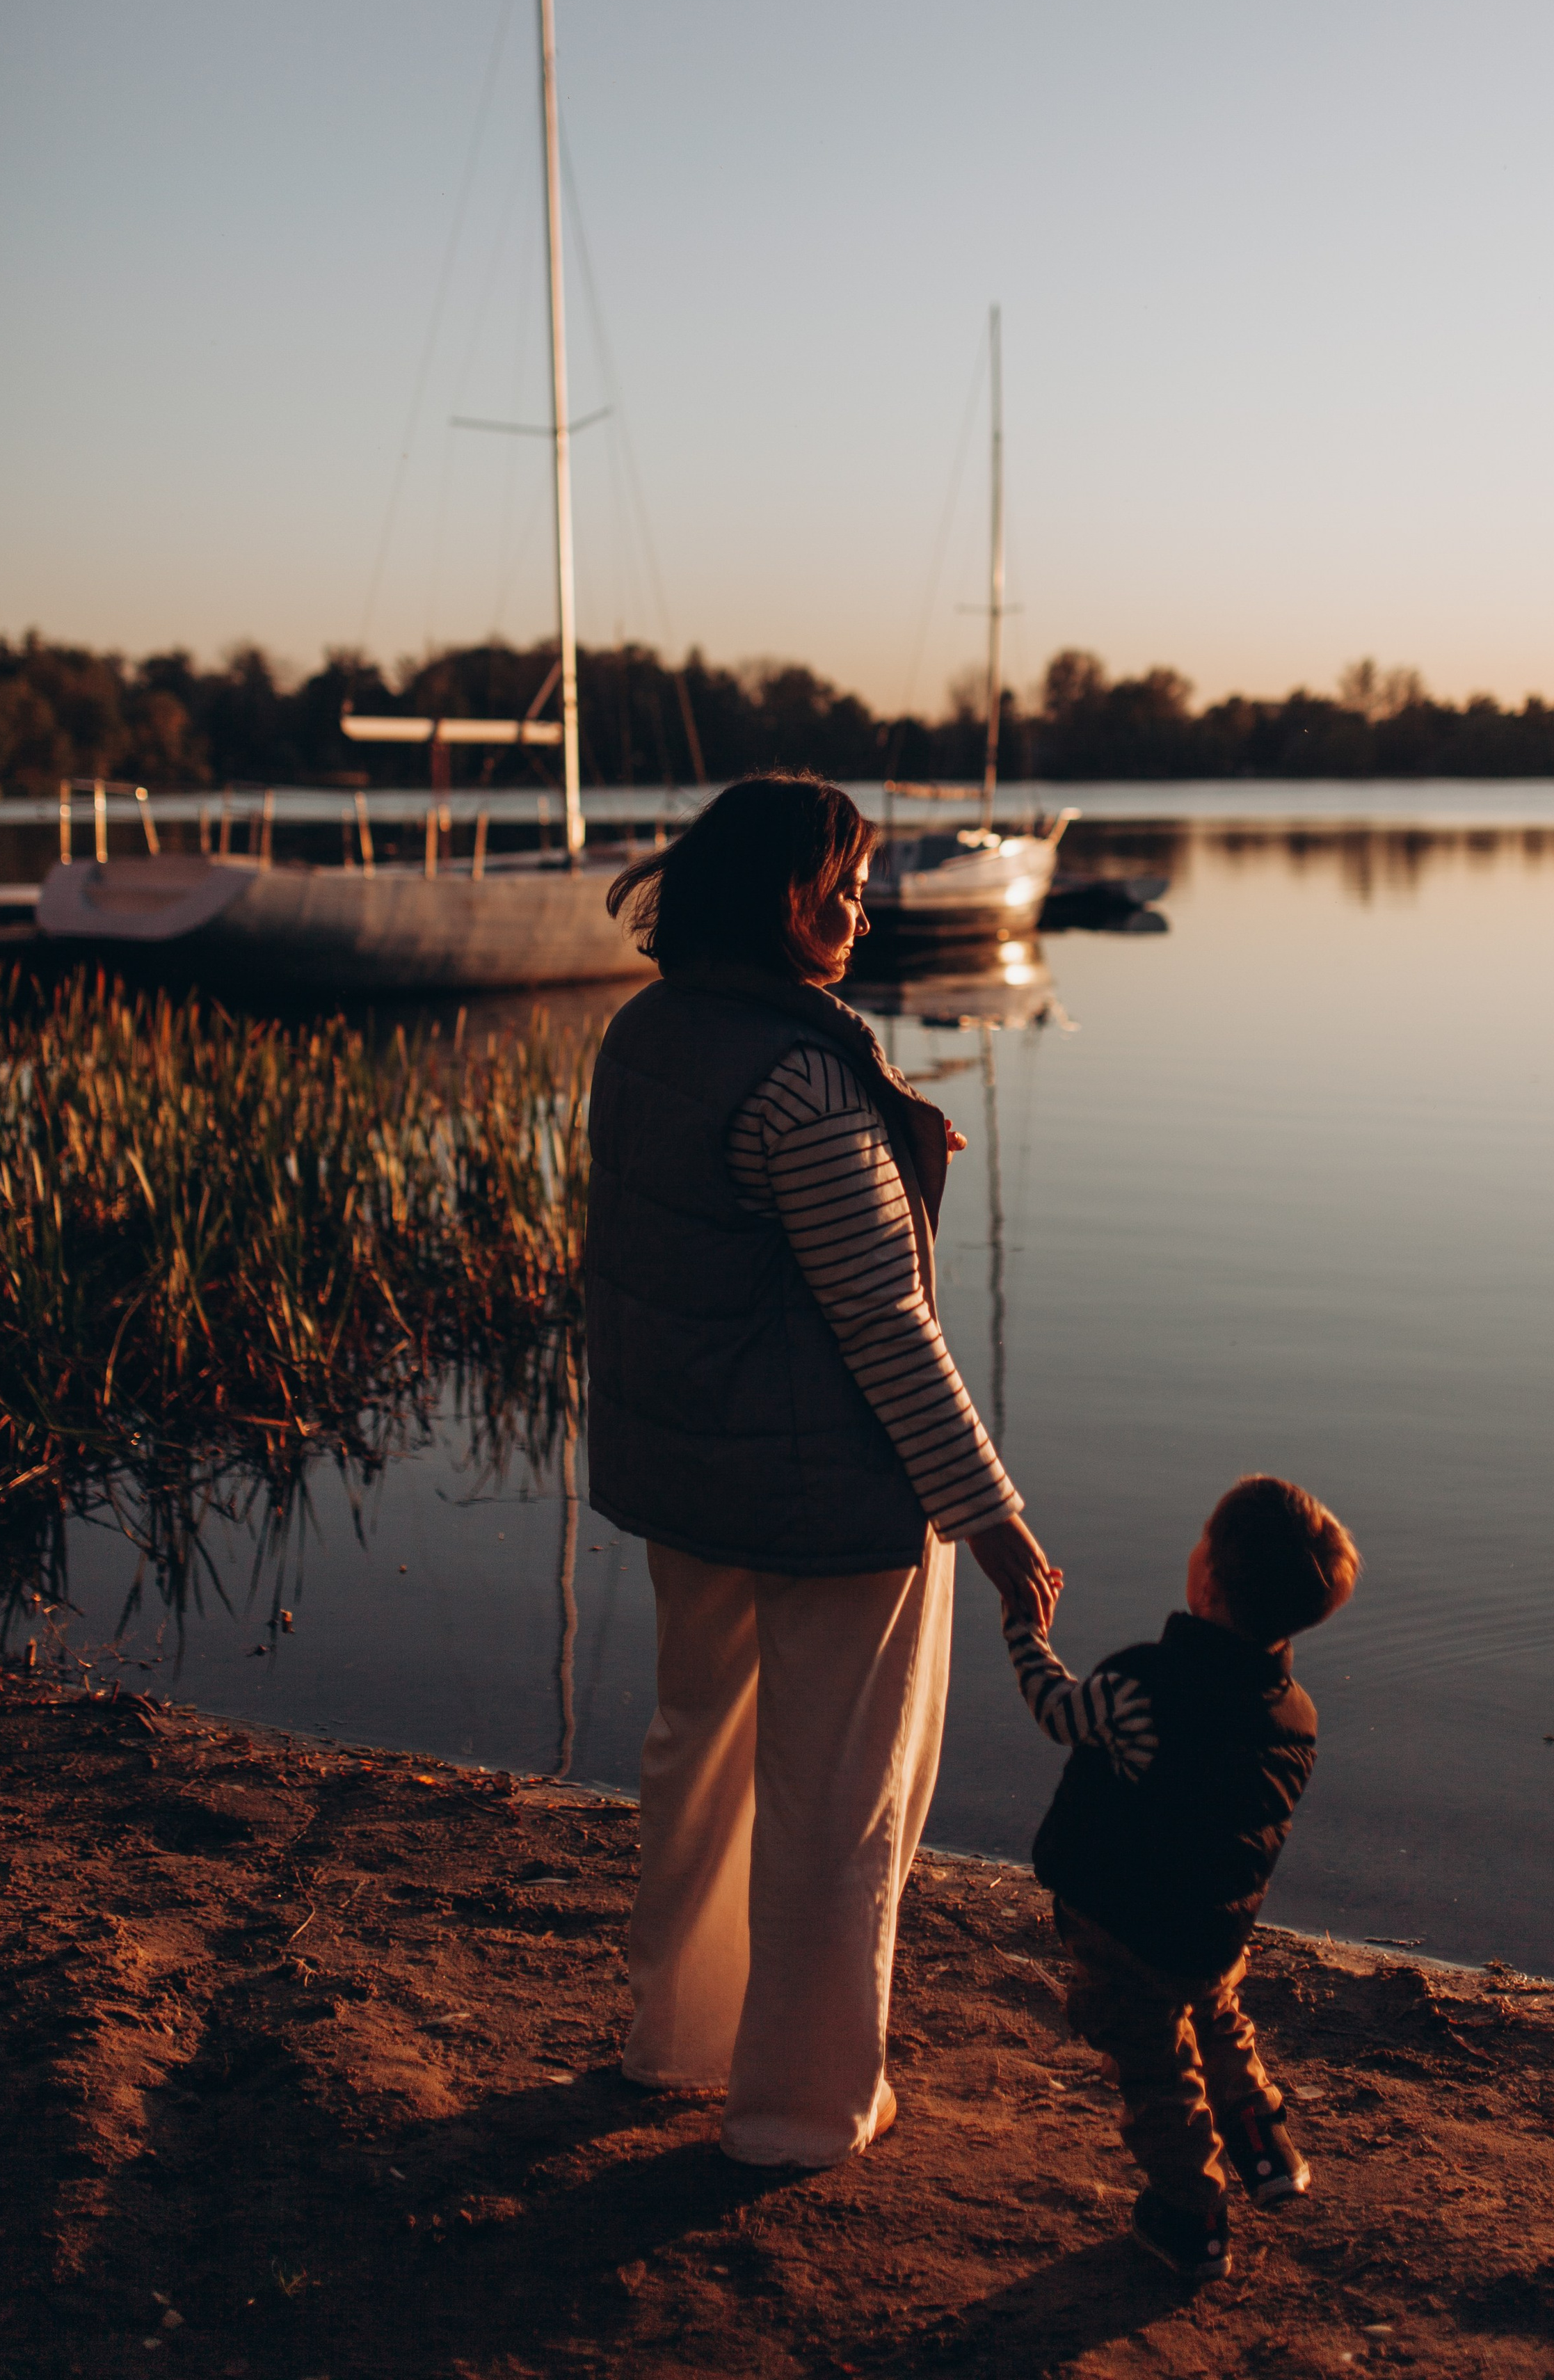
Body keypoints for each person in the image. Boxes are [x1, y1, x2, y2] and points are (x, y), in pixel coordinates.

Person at [585, 772, 1058, 2169]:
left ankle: (677, 2040)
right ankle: (796, 2109)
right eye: (844, 891)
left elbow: (704, 1238)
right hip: (832, 1493)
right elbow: (886, 1326)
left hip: (690, 1475)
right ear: (783, 901)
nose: (861, 912)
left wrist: (889, 1149)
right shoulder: (798, 1077)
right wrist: (994, 1521)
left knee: (701, 1758)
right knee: (838, 1805)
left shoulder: (645, 1033)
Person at [1002, 1473, 1360, 2283]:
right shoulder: (1294, 1717)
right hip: (1211, 1929)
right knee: (1216, 2018)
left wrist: (1023, 1629)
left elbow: (1055, 1708)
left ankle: (1191, 2216)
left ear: (1206, 1586)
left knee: (1156, 2069)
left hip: (1124, 1927)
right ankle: (1263, 2147)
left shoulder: (1143, 1685)